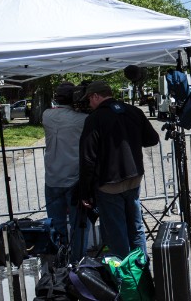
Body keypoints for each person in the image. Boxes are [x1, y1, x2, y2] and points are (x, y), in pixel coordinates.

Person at [78, 80, 159, 258]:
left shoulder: (95, 119)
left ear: (96, 96)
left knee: (117, 233)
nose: (89, 104)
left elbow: (87, 158)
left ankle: (127, 280)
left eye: (89, 100)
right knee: (136, 228)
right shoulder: (133, 111)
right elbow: (152, 139)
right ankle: (141, 272)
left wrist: (85, 192)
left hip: (109, 185)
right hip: (133, 179)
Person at [42, 82, 90, 262]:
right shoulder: (82, 119)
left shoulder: (46, 115)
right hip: (74, 178)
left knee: (56, 224)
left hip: (52, 177)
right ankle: (78, 261)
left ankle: (60, 259)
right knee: (79, 224)